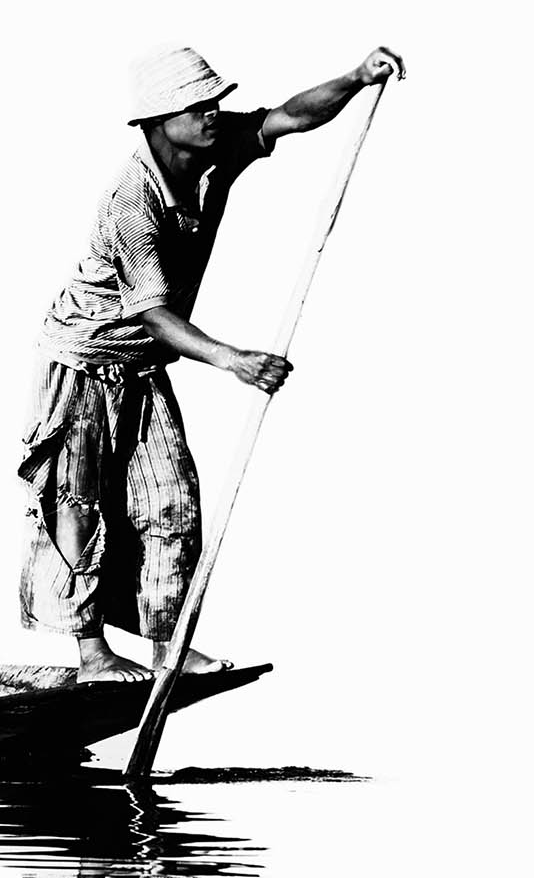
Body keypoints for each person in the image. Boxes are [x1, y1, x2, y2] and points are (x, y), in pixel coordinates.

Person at [20, 42, 404, 682]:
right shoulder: (130, 199)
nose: (212, 114)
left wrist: (357, 78)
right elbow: (154, 315)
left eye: (214, 102)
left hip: (143, 366)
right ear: (158, 120)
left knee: (171, 503)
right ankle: (91, 655)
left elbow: (291, 116)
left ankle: (168, 645)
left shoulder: (216, 147)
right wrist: (234, 360)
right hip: (82, 359)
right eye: (197, 106)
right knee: (77, 504)